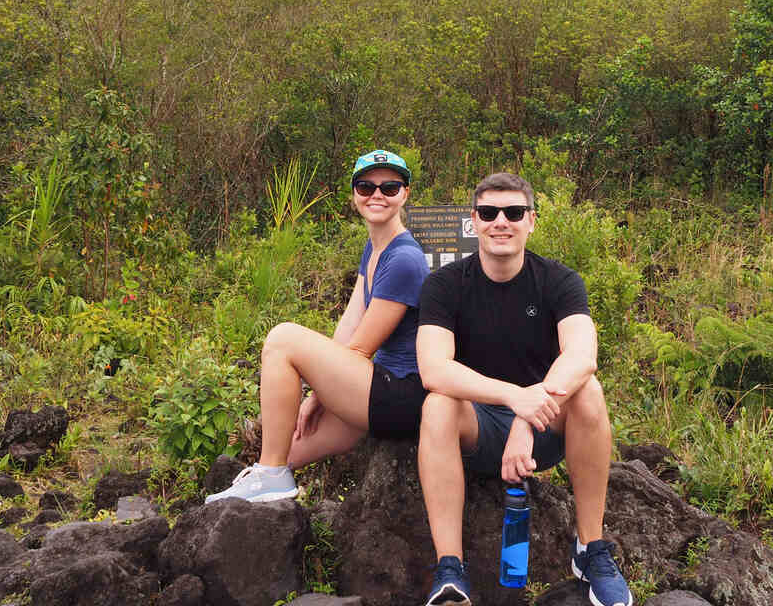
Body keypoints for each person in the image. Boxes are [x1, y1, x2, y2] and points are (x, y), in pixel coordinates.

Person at [415, 172, 632, 606]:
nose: (502, 222)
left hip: (544, 425)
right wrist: (516, 399)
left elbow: (582, 355)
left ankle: (590, 549)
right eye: (490, 212)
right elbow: (433, 368)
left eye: (514, 212)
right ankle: (450, 568)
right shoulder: (445, 284)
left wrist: (528, 419)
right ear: (473, 221)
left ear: (531, 220)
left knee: (589, 390)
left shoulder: (558, 281)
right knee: (438, 404)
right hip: (478, 424)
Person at [206, 150, 430, 503]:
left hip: (401, 396)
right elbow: (348, 326)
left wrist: (320, 394)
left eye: (389, 187)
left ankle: (271, 474)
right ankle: (270, 476)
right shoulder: (374, 249)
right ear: (354, 194)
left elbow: (360, 349)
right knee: (287, 447)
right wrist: (318, 393)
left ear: (405, 194)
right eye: (365, 186)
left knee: (282, 339)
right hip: (375, 388)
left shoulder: (404, 258)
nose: (377, 195)